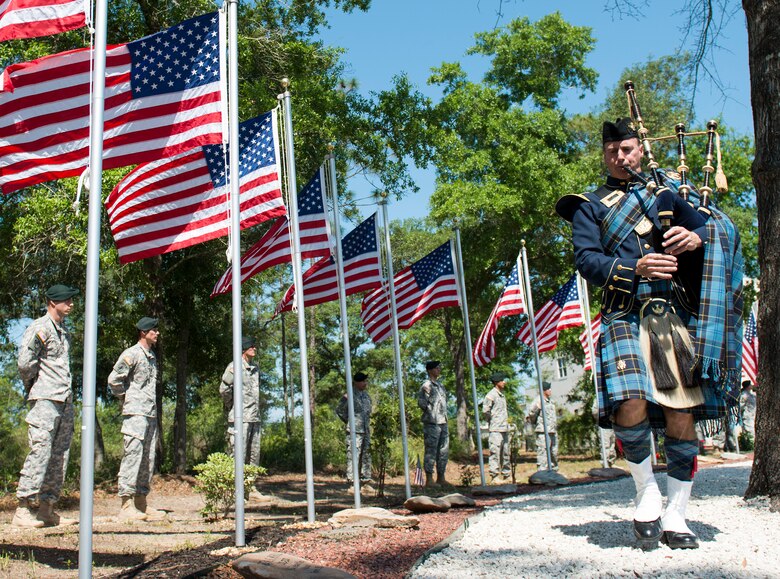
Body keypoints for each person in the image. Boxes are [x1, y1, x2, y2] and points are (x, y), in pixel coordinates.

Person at [555, 118, 743, 550]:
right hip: (624, 310)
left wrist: (694, 239)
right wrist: (633, 268)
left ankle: (677, 513)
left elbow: (712, 229)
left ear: (640, 149)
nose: (619, 157)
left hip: (671, 315)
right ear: (604, 154)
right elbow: (586, 260)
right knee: (630, 400)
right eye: (611, 151)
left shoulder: (665, 194)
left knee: (681, 409)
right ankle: (646, 491)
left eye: (627, 149)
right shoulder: (590, 204)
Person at [13, 284, 80, 528]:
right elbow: (24, 363)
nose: (71, 304)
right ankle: (23, 508)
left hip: (64, 400)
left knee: (59, 456)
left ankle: (46, 509)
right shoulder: (40, 328)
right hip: (45, 399)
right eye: (67, 300)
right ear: (53, 302)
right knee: (40, 451)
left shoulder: (62, 330)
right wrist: (35, 385)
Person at [108, 317, 166, 522]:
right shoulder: (131, 353)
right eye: (154, 330)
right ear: (143, 332)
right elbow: (114, 380)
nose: (157, 333)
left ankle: (141, 502)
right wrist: (127, 398)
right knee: (132, 455)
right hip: (135, 414)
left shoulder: (151, 355)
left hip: (149, 413)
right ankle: (126, 505)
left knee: (147, 458)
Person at [220, 336, 263, 467]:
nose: (254, 348)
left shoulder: (255, 368)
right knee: (238, 455)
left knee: (254, 457)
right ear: (244, 349)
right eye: (251, 346)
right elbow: (224, 389)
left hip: (254, 418)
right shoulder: (234, 366)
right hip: (240, 419)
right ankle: (236, 486)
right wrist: (232, 405)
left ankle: (250, 485)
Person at [335, 372, 373, 486]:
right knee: (353, 455)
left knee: (366, 454)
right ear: (356, 382)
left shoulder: (367, 396)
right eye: (362, 381)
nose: (365, 383)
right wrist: (350, 421)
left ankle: (365, 480)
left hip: (365, 430)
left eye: (365, 381)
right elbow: (340, 410)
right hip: (354, 431)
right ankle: (352, 481)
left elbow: (368, 411)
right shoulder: (349, 396)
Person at [417, 360, 449, 487]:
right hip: (432, 422)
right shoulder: (426, 385)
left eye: (439, 367)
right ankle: (429, 478)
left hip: (443, 421)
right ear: (430, 370)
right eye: (436, 368)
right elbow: (422, 403)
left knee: (443, 450)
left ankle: (441, 477)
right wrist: (430, 412)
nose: (439, 370)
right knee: (431, 450)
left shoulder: (440, 386)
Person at [482, 372, 511, 483]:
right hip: (495, 429)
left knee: (506, 453)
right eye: (502, 380)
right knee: (495, 452)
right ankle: (494, 476)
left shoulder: (502, 395)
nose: (504, 382)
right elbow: (486, 411)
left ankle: (506, 475)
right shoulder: (491, 395)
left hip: (504, 428)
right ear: (496, 382)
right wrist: (492, 421)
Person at [527, 382, 558, 471]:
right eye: (548, 389)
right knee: (543, 452)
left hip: (552, 431)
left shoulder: (551, 401)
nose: (550, 390)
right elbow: (531, 414)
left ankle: (554, 470)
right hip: (543, 432)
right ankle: (542, 471)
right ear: (544, 390)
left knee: (554, 452)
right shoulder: (538, 401)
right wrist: (536, 423)